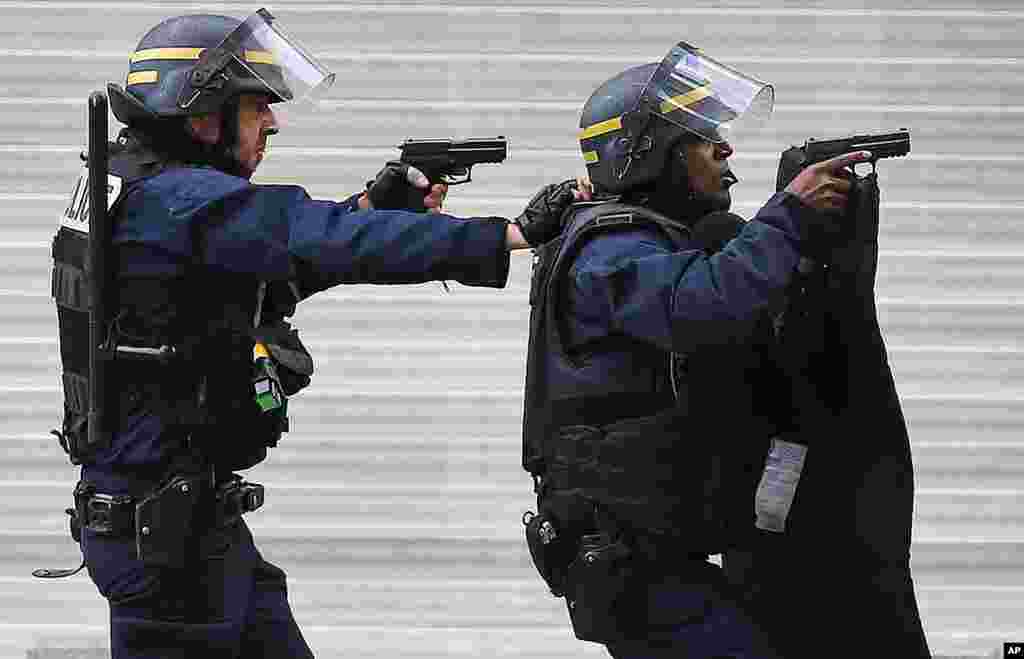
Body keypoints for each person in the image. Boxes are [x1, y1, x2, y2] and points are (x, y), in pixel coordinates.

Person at [43, 9, 586, 659]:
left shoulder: (139, 189)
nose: (271, 122)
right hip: (166, 552)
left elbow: (271, 276)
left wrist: (369, 209)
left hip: (186, 527)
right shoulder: (179, 201)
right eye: (255, 107)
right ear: (203, 115)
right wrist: (510, 234)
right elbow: (314, 239)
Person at [518, 41, 922, 658]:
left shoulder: (655, 240)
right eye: (707, 141)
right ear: (648, 153)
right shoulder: (610, 251)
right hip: (633, 562)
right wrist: (788, 215)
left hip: (662, 551)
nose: (727, 153)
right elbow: (701, 307)